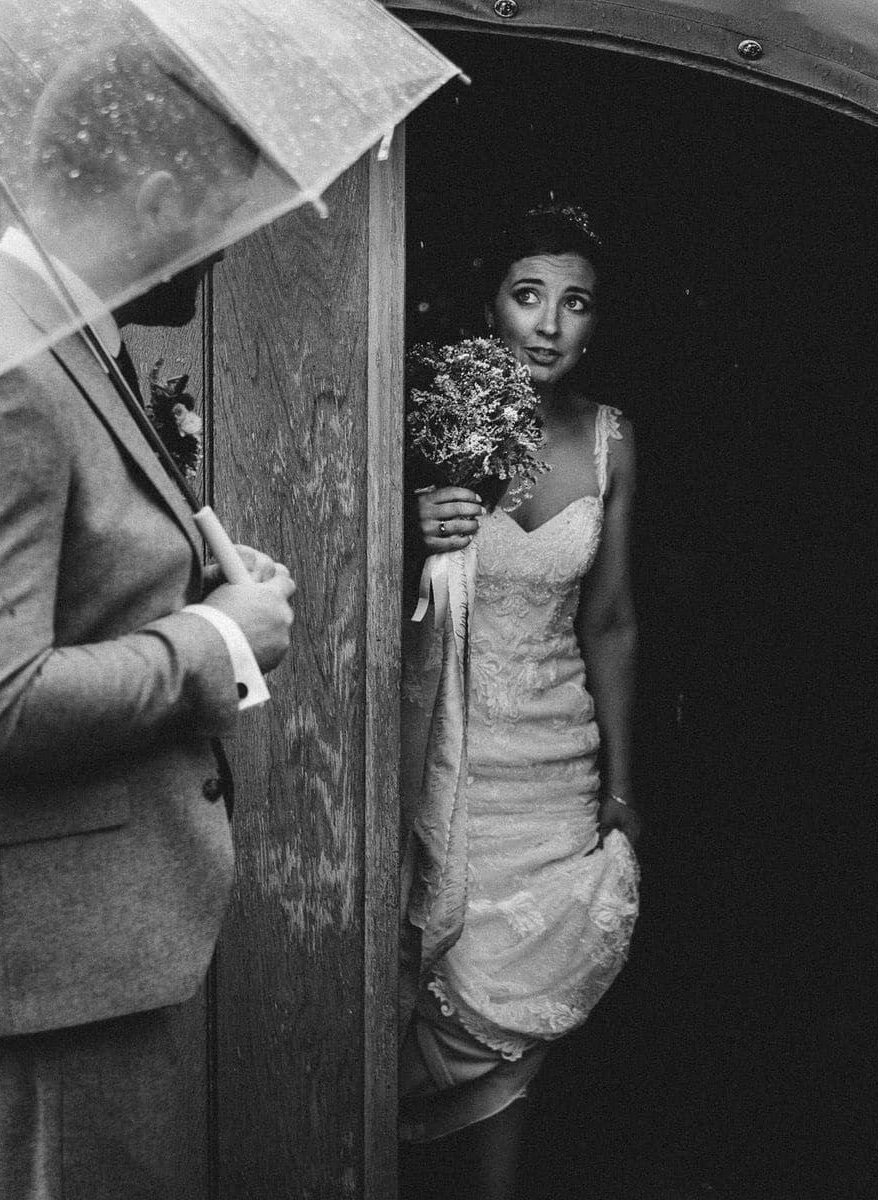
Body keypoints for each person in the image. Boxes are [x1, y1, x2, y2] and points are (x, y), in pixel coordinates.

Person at [0, 39, 295, 1200]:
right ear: (158, 199)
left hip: (70, 946)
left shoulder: (58, 342)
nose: (226, 249)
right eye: (220, 220)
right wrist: (218, 644)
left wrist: (191, 590)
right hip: (43, 957)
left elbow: (52, 602)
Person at [400, 203, 642, 1199]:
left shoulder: (612, 438)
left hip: (555, 765)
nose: (548, 323)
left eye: (573, 302)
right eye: (527, 294)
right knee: (427, 983)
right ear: (491, 304)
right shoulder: (430, 418)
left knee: (527, 992)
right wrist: (405, 517)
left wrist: (625, 785)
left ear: (594, 322)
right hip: (447, 753)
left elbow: (614, 620)